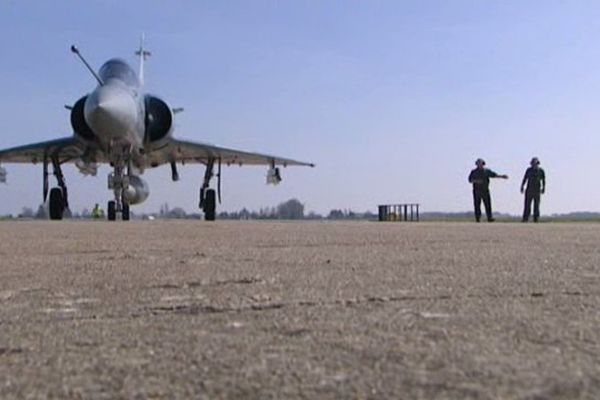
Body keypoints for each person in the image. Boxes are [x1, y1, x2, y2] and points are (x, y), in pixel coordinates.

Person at [520, 157, 546, 222]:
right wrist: (522, 186)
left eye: (535, 163)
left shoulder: (541, 171)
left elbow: (543, 180)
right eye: (533, 163)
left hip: (537, 190)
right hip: (529, 189)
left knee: (536, 205)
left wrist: (543, 188)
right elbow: (525, 178)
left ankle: (536, 218)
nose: (534, 164)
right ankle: (525, 218)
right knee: (527, 205)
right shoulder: (528, 170)